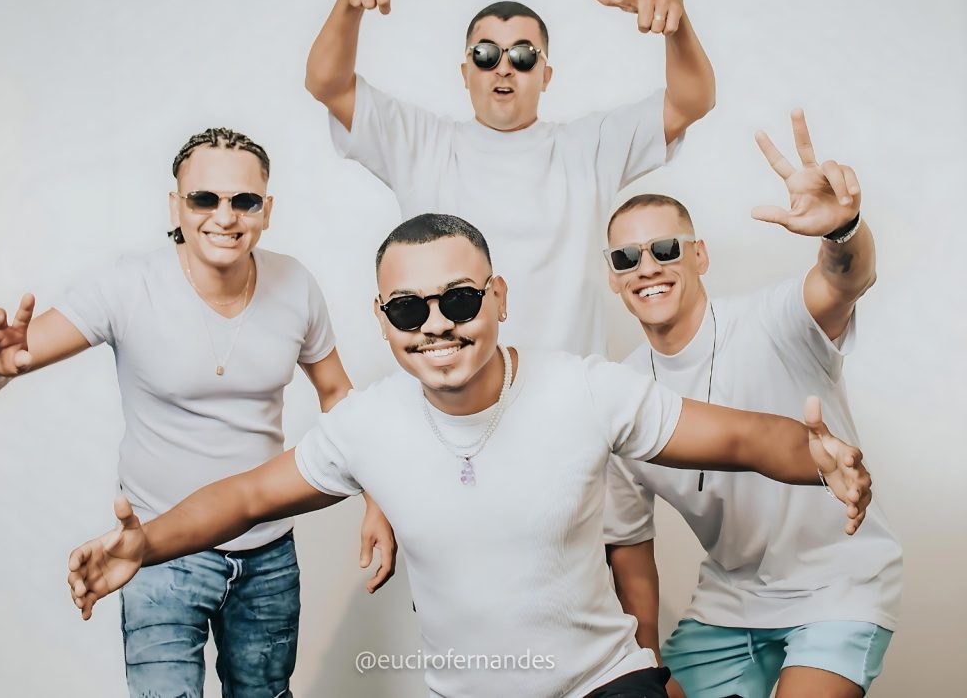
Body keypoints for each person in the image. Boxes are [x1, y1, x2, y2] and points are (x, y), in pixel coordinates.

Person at [68, 213, 873, 698]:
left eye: (458, 300)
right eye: (407, 309)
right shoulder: (368, 425)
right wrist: (146, 544)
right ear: (382, 319)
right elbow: (247, 498)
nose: (435, 325)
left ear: (498, 299)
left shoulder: (582, 389)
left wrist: (819, 456)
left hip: (604, 683)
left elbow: (739, 437)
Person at [0, 128, 395, 698]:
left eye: (244, 201)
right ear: (176, 206)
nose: (225, 216)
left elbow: (337, 394)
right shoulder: (128, 285)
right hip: (158, 548)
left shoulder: (295, 284)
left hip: (267, 553)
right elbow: (6, 364)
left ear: (266, 210)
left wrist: (377, 499)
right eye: (204, 199)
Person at [602, 112, 902, 698]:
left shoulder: (774, 321)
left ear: (700, 255)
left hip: (840, 586)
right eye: (625, 258)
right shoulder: (619, 397)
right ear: (613, 279)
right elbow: (631, 550)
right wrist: (643, 672)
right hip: (730, 603)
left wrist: (843, 232)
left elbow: (844, 281)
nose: (647, 268)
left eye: (664, 248)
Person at [304, 0, 716, 355]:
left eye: (522, 56)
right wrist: (348, 5)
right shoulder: (420, 143)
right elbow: (327, 84)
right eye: (486, 55)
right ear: (465, 72)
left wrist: (677, 28)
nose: (503, 69)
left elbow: (691, 101)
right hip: (451, 386)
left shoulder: (589, 147)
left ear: (545, 75)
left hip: (572, 391)